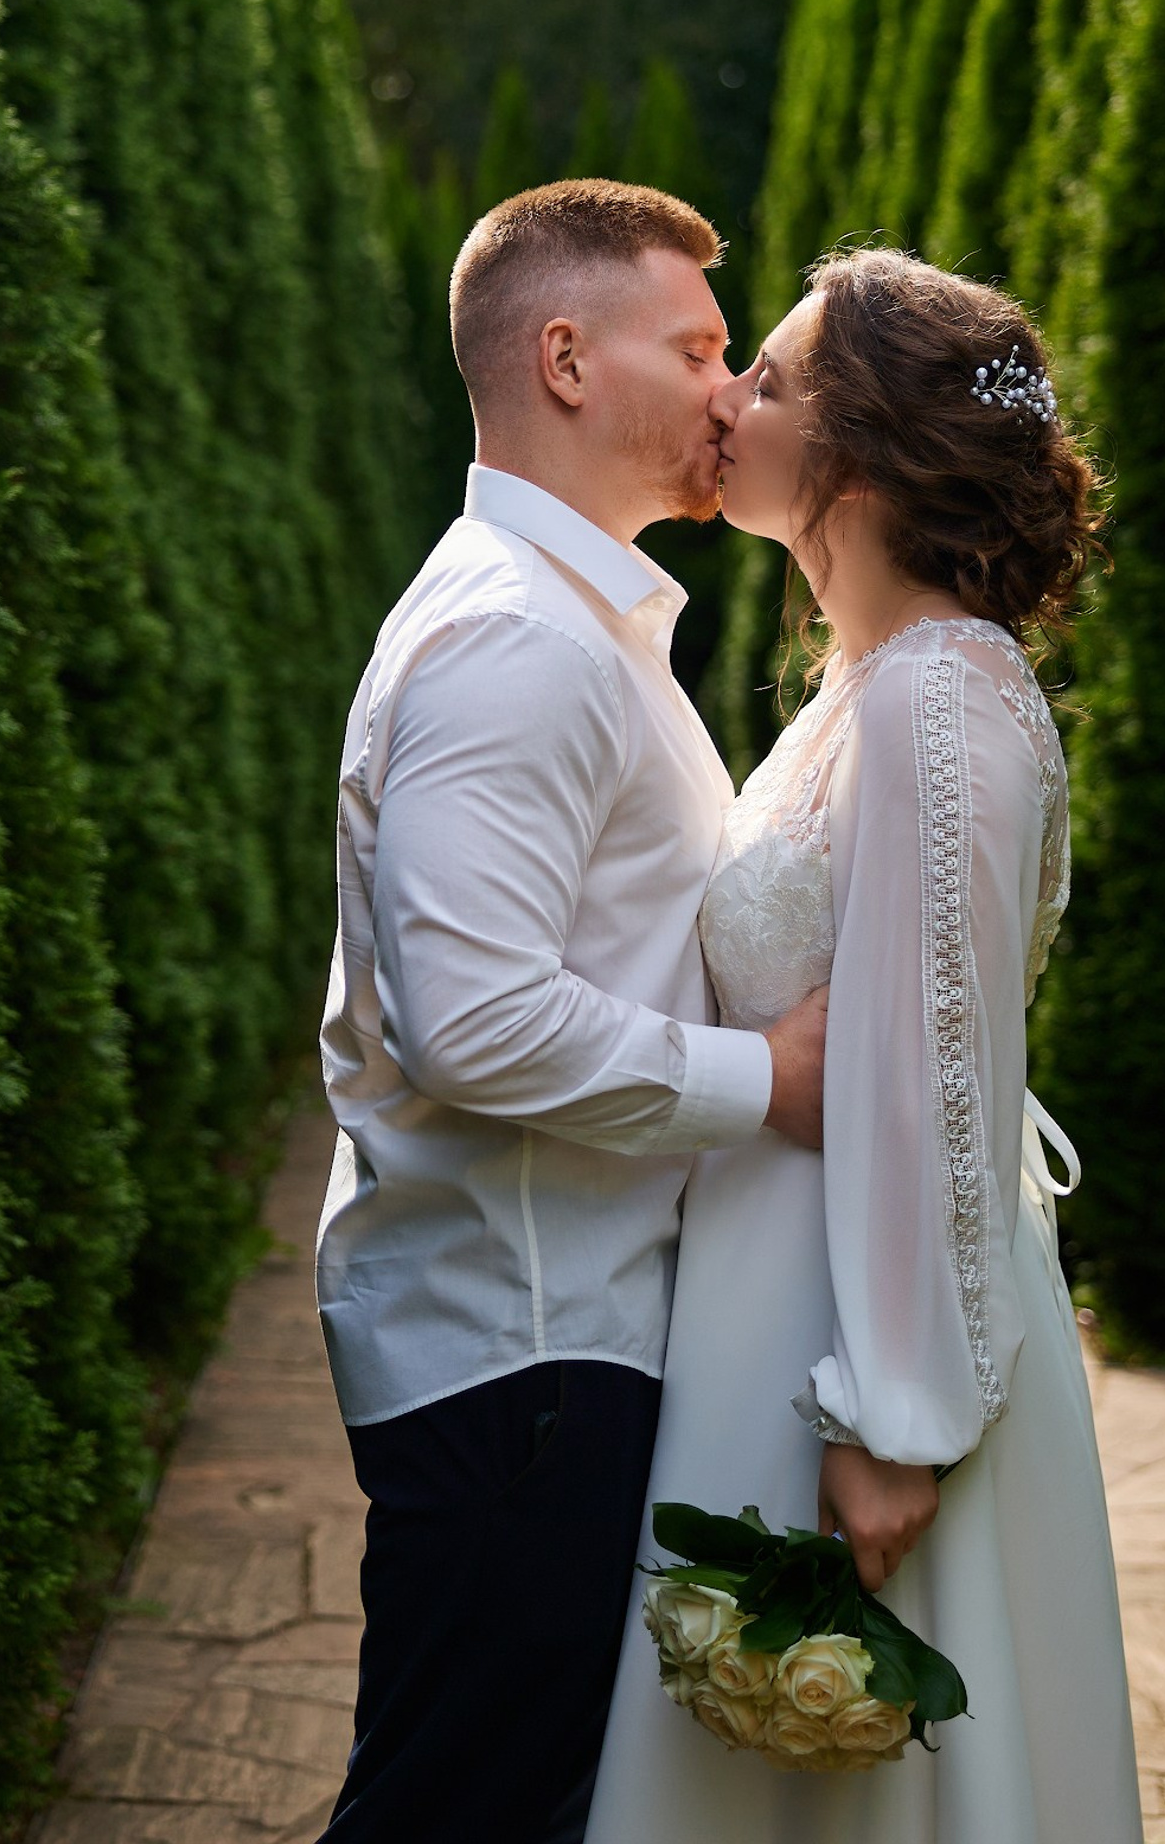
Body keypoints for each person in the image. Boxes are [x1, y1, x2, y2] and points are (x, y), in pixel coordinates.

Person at [586, 245, 1143, 1841]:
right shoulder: (865, 690)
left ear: (862, 439)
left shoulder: (936, 704)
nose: (728, 396)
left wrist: (895, 1424)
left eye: (766, 373)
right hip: (778, 1287)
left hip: (859, 1334)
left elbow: (941, 1082)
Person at [314, 180, 833, 1843]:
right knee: (455, 1811)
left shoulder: (578, 622)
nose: (730, 388)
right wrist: (766, 1080)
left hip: (556, 1338)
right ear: (564, 357)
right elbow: (472, 1022)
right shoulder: (518, 642)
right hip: (523, 1352)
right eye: (696, 345)